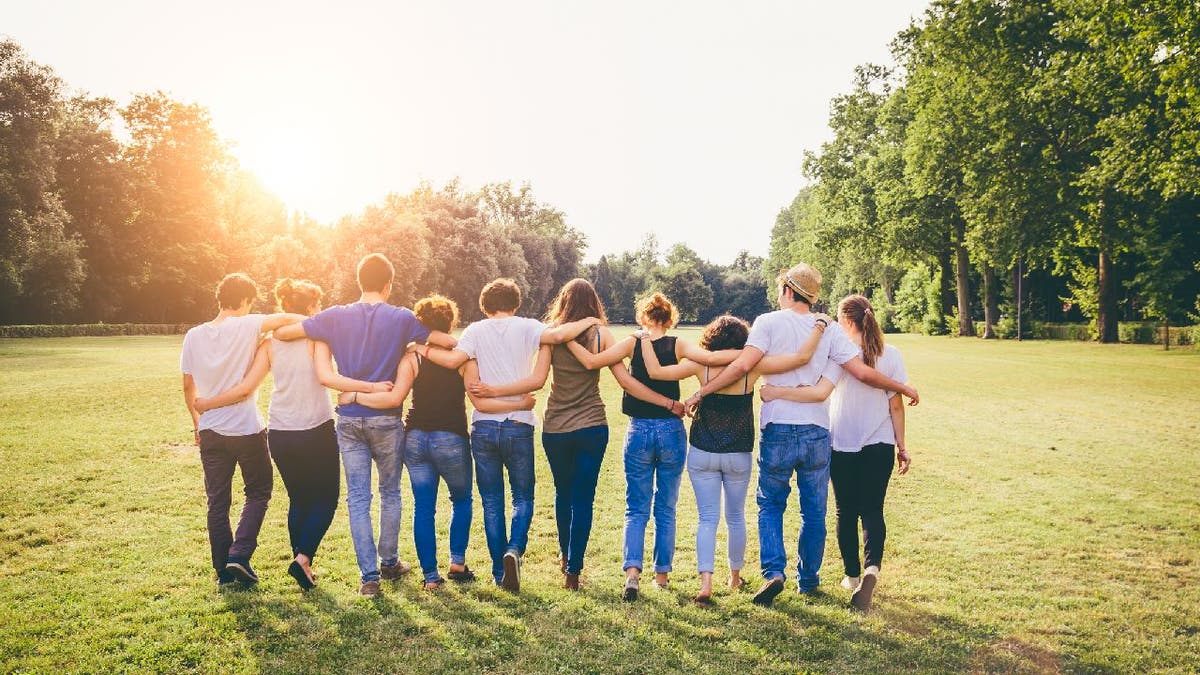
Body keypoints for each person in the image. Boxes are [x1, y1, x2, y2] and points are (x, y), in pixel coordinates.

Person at [682, 262, 918, 607]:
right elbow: (863, 373)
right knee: (813, 510)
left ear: (787, 291)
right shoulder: (831, 329)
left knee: (771, 505)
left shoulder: (767, 323)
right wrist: (903, 387)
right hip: (817, 431)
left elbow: (742, 366)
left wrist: (700, 394)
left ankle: (774, 573)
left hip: (777, 427)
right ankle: (807, 580)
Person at [273, 253, 456, 597]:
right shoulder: (401, 317)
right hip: (386, 418)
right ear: (388, 284)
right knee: (390, 493)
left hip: (350, 419)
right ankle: (389, 561)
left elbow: (283, 332)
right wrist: (416, 343)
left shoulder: (333, 317)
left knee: (358, 497)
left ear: (359, 281)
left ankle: (368, 577)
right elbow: (447, 341)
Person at [416, 278, 603, 591]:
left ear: (484, 306)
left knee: (492, 501)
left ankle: (499, 572)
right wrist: (590, 318)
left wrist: (419, 344)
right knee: (523, 497)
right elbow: (558, 334)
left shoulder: (474, 331)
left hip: (484, 426)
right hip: (518, 424)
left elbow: (453, 360)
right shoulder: (528, 326)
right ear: (516, 303)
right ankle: (514, 549)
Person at [340, 295, 537, 590]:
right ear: (451, 322)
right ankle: (457, 562)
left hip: (415, 438)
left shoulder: (413, 357)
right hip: (452, 437)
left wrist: (354, 396)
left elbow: (397, 396)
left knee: (424, 508)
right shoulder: (462, 355)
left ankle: (431, 577)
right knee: (462, 500)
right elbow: (477, 396)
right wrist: (522, 401)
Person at [638, 313, 828, 605]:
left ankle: (706, 583)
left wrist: (643, 339)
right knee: (736, 517)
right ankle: (735, 576)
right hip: (739, 452)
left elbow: (656, 373)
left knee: (707, 519)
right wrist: (819, 326)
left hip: (702, 450)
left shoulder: (699, 364)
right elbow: (798, 359)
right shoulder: (753, 367)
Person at [562, 292, 735, 601]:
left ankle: (632, 574)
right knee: (666, 507)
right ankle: (662, 575)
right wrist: (747, 354)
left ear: (643, 317)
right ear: (670, 320)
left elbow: (592, 362)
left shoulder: (631, 342)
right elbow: (709, 359)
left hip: (639, 430)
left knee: (635, 506)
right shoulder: (678, 344)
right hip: (671, 430)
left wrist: (564, 340)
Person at [761, 294, 910, 613]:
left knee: (845, 511)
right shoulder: (892, 354)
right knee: (873, 510)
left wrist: (776, 392)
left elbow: (819, 393)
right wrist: (902, 445)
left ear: (844, 322)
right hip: (880, 442)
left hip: (841, 442)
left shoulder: (840, 353)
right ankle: (872, 569)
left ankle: (853, 576)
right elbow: (895, 403)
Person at [537, 280, 683, 592]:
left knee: (563, 494)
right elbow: (627, 383)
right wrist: (669, 403)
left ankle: (565, 558)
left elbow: (538, 375)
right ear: (594, 303)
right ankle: (574, 570)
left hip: (556, 426)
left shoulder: (551, 334)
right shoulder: (602, 333)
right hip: (592, 424)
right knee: (584, 497)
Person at [179, 273, 305, 586]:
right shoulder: (248, 324)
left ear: (220, 298)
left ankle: (223, 570)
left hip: (209, 429)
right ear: (246, 300)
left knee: (217, 501)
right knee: (259, 491)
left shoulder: (194, 335)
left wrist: (197, 424)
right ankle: (240, 554)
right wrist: (321, 322)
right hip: (246, 428)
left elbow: (187, 385)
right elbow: (289, 317)